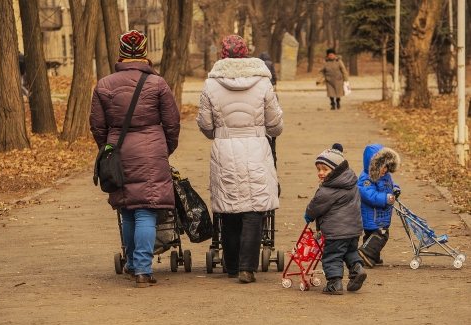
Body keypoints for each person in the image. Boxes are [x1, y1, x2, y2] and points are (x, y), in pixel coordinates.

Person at [90, 30, 180, 287]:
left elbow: (97, 126)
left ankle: (132, 263)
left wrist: (108, 150)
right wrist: (165, 149)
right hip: (151, 150)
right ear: (143, 53)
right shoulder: (157, 84)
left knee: (128, 210)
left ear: (121, 54)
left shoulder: (104, 85)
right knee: (146, 211)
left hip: (118, 150)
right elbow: (172, 123)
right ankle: (142, 269)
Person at [196, 35, 283, 284]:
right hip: (256, 147)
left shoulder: (210, 85)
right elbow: (275, 125)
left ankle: (232, 265)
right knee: (254, 209)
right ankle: (247, 268)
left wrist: (220, 133)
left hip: (224, 148)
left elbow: (205, 124)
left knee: (229, 208)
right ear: (246, 54)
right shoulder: (263, 83)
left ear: (222, 55)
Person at [304, 143, 367, 295]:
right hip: (353, 230)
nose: (320, 173)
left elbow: (316, 206)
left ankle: (334, 283)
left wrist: (309, 215)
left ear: (336, 170)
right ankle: (357, 269)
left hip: (335, 232)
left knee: (332, 256)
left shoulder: (328, 190)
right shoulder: (351, 183)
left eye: (325, 169)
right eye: (318, 169)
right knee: (349, 251)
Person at [357, 144, 401, 268]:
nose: (385, 170)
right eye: (382, 167)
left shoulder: (386, 176)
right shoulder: (366, 179)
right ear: (374, 166)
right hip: (373, 215)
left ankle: (373, 257)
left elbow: (391, 185)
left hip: (381, 214)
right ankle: (365, 253)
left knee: (371, 236)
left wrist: (396, 188)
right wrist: (385, 198)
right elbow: (368, 194)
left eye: (387, 167)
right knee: (381, 235)